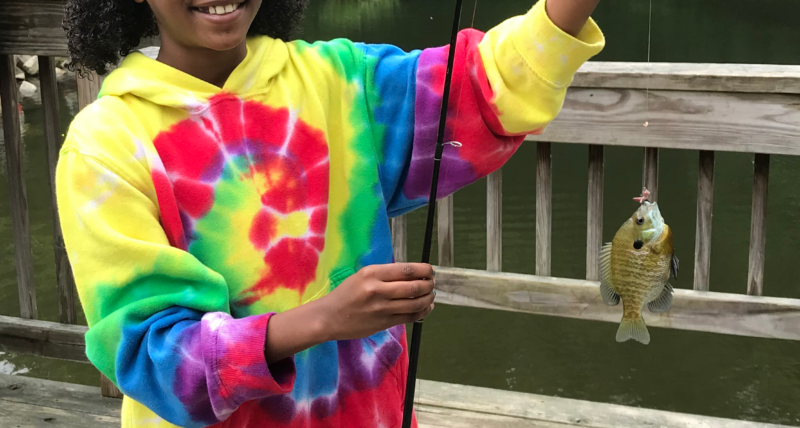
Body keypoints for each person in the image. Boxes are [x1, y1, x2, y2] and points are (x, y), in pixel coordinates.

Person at [56, 0, 604, 426]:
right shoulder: (105, 143)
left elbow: (484, 88)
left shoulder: (340, 77)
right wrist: (322, 320)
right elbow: (151, 358)